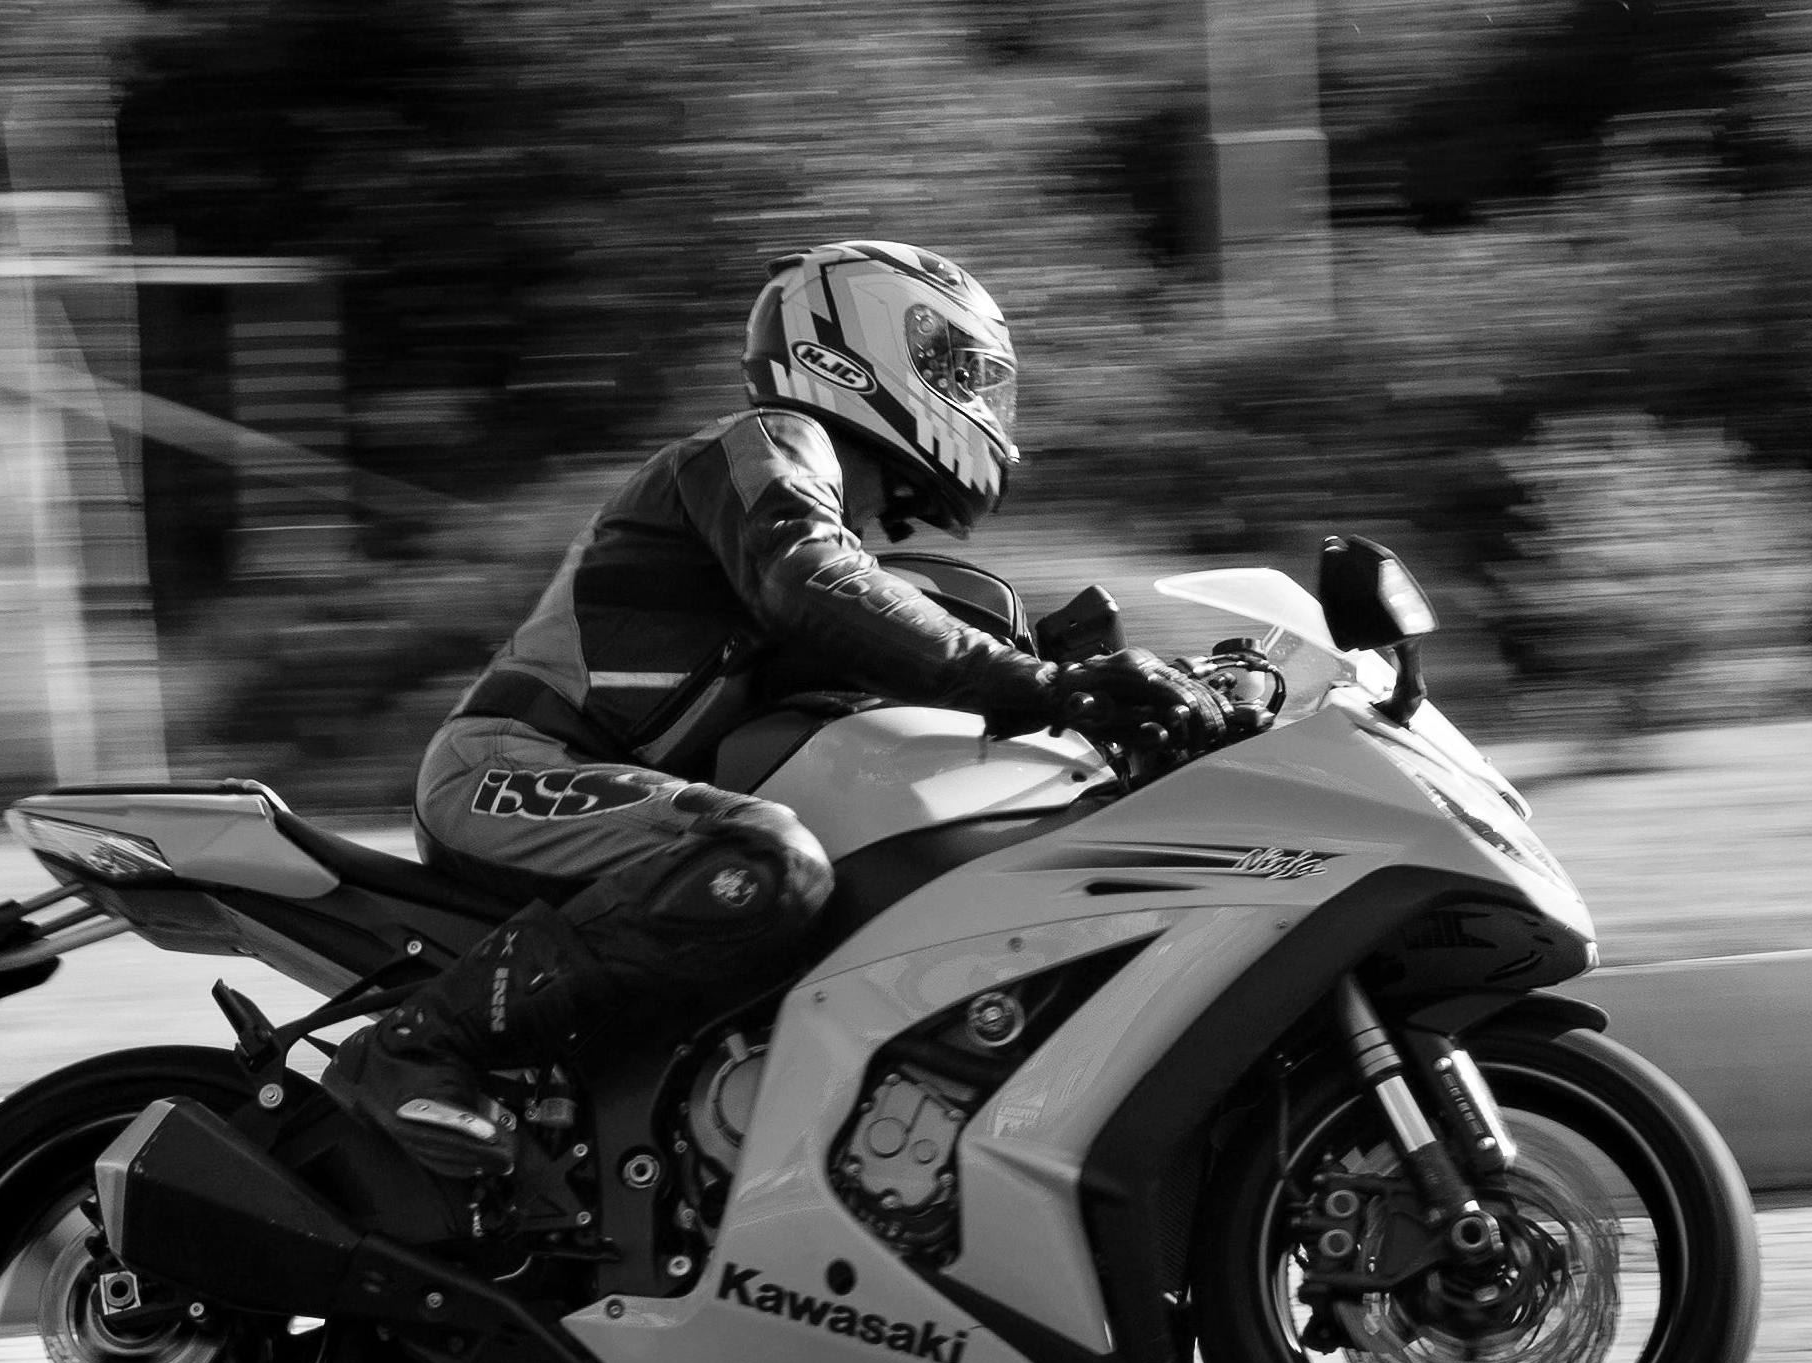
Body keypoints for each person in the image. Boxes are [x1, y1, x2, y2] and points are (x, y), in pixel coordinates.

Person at [328, 239, 1222, 1177]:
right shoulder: (767, 447)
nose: (980, 403)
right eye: (957, 372)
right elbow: (813, 583)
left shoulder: (835, 528)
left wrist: (1116, 681)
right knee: (765, 857)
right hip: (508, 769)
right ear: (855, 354)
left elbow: (899, 623)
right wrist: (1042, 688)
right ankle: (411, 1047)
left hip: (602, 789)